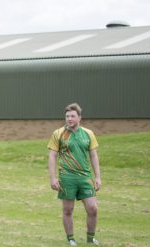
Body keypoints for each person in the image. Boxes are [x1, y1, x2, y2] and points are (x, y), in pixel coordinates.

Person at [48, 103, 101, 246]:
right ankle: (71, 239)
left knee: (93, 209)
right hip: (67, 178)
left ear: (79, 118)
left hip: (85, 177)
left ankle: (91, 239)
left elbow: (94, 156)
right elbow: (52, 156)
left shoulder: (88, 134)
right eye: (67, 116)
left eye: (72, 116)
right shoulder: (58, 134)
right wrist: (52, 178)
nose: (69, 119)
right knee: (67, 210)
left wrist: (97, 177)